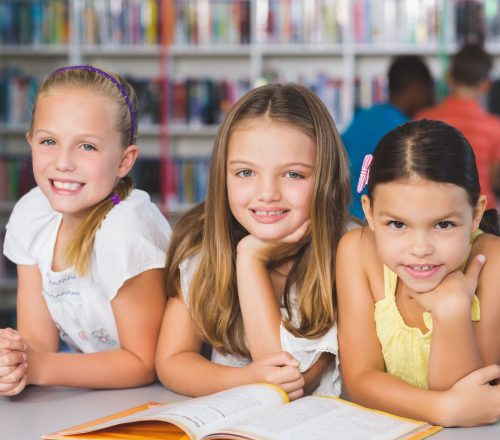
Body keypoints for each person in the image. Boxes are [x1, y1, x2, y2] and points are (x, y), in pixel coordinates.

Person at [156, 83, 351, 400]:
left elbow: (290, 380)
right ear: (223, 176)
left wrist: (250, 260)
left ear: (326, 177)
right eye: (246, 173)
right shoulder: (203, 246)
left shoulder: (345, 253)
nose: (267, 193)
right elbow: (172, 361)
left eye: (293, 175)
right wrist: (244, 379)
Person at [0, 65, 172, 396]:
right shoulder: (32, 214)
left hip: (152, 399)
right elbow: (39, 343)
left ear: (124, 161)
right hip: (86, 396)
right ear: (31, 142)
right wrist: (15, 362)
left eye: (87, 146)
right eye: (49, 141)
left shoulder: (126, 229)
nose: (63, 162)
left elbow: (142, 361)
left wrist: (39, 367)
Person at [336, 119, 500, 427]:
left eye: (443, 224)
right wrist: (442, 409)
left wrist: (451, 311)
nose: (420, 248)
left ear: (475, 213)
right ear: (369, 212)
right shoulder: (355, 252)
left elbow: (472, 400)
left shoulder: (493, 262)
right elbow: (360, 379)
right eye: (398, 225)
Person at [342, 55, 434, 219]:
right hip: (380, 219)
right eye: (428, 90)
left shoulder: (363, 116)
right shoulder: (407, 132)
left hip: (345, 214)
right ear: (418, 87)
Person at [415, 42, 500, 210]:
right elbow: (495, 179)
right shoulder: (494, 127)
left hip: (435, 210)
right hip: (482, 213)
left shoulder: (423, 119)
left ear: (448, 77)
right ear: (486, 85)